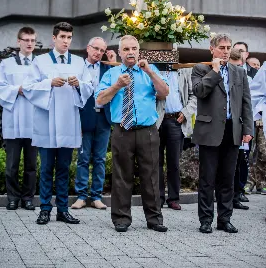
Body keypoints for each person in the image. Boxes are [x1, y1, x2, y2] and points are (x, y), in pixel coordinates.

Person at [95, 35, 169, 233]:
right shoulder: (112, 74)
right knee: (121, 176)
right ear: (119, 53)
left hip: (148, 131)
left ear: (138, 51)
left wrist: (150, 73)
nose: (130, 52)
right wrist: (117, 85)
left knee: (151, 176)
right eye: (126, 49)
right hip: (122, 130)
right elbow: (100, 100)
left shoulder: (148, 70)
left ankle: (155, 219)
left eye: (133, 49)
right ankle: (121, 219)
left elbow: (164, 92)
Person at [23, 22, 94, 225]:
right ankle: (45, 208)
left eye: (69, 37)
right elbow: (28, 87)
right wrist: (48, 83)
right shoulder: (41, 61)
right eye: (62, 37)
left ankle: (62, 210)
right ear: (54, 38)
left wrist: (78, 84)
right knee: (46, 168)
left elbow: (89, 86)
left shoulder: (79, 63)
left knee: (63, 168)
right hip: (46, 122)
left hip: (68, 121)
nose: (66, 41)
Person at [192, 33, 253, 234]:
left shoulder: (239, 72)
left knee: (228, 178)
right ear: (212, 49)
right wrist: (215, 71)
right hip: (210, 130)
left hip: (232, 129)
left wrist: (248, 130)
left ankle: (224, 219)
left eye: (228, 48)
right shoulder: (201, 69)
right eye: (222, 48)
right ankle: (206, 220)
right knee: (207, 178)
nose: (226, 52)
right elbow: (200, 92)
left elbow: (246, 103)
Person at [72, 37, 116, 210]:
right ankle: (81, 196)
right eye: (95, 48)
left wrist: (113, 62)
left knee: (100, 159)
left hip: (103, 118)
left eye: (102, 50)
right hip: (84, 117)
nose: (98, 53)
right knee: (83, 158)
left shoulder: (108, 68)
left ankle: (96, 196)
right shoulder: (78, 67)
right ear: (88, 48)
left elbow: (118, 84)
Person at [0, 27, 37, 211]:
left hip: (34, 121)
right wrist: (18, 90)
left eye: (32, 40)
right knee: (12, 165)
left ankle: (28, 198)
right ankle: (13, 198)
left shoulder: (41, 64)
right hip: (13, 119)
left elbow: (46, 87)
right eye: (26, 40)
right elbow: (0, 87)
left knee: (31, 165)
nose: (30, 44)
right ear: (18, 42)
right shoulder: (6, 64)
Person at [159, 68, 197, 210]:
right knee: (156, 161)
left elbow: (194, 96)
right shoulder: (155, 70)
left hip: (176, 121)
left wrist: (186, 112)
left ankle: (173, 198)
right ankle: (158, 197)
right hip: (157, 120)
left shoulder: (184, 72)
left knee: (173, 162)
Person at [229, 49, 250, 210]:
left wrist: (248, 129)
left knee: (238, 164)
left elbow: (246, 103)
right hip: (221, 126)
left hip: (239, 126)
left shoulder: (242, 75)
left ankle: (236, 195)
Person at [248, 64, 266, 197]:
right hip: (257, 122)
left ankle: (261, 182)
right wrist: (259, 113)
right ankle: (252, 182)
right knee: (257, 153)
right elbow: (255, 94)